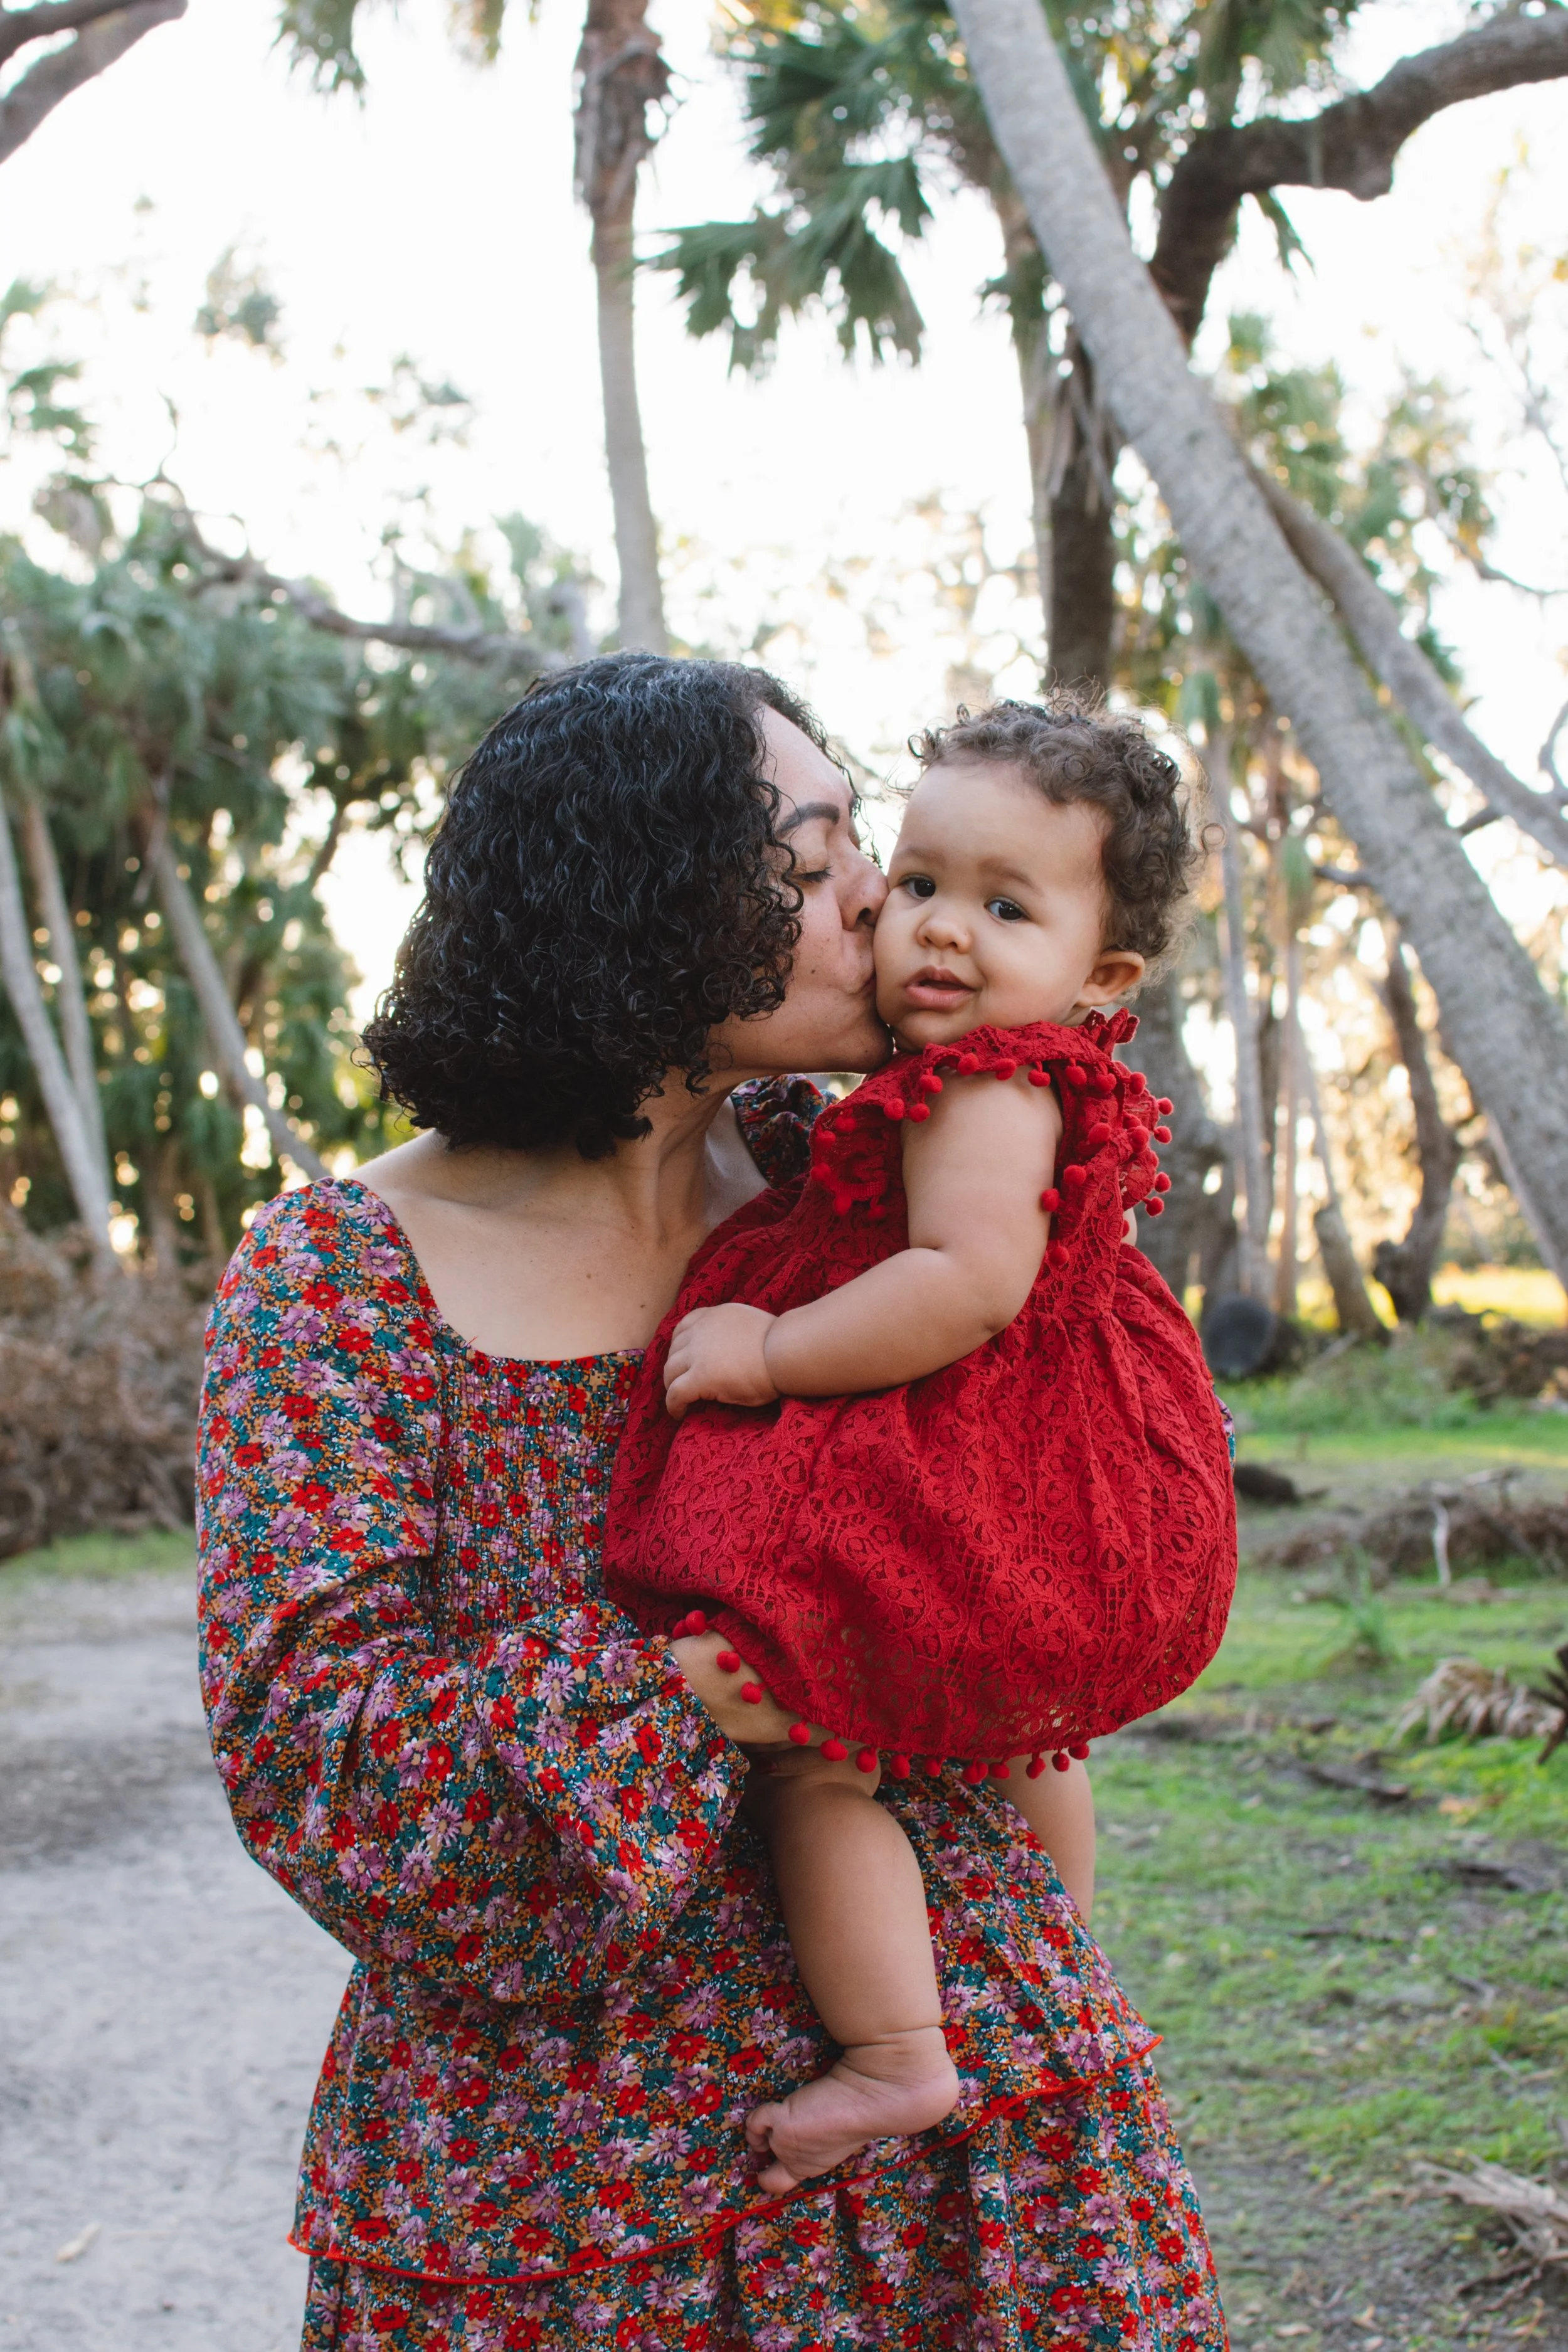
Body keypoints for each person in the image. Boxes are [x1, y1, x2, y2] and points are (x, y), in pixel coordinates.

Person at [197, 654, 1227, 2352]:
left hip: (983, 2128)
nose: (884, 913)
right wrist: (728, 1673)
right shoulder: (344, 1279)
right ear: (649, 897)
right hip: (569, 2191)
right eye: (824, 859)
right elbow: (322, 1763)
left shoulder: (863, 1179)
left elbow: (1066, 1478)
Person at [606, 697, 1236, 2197]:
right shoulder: (984, 1068)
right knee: (1024, 1741)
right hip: (1025, 1461)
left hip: (971, 1469)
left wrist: (767, 1351)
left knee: (815, 1765)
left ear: (1102, 979)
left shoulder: (989, 1085)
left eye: (1004, 906)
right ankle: (1051, 1960)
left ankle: (896, 2055)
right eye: (919, 884)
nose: (940, 932)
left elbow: (958, 1287)